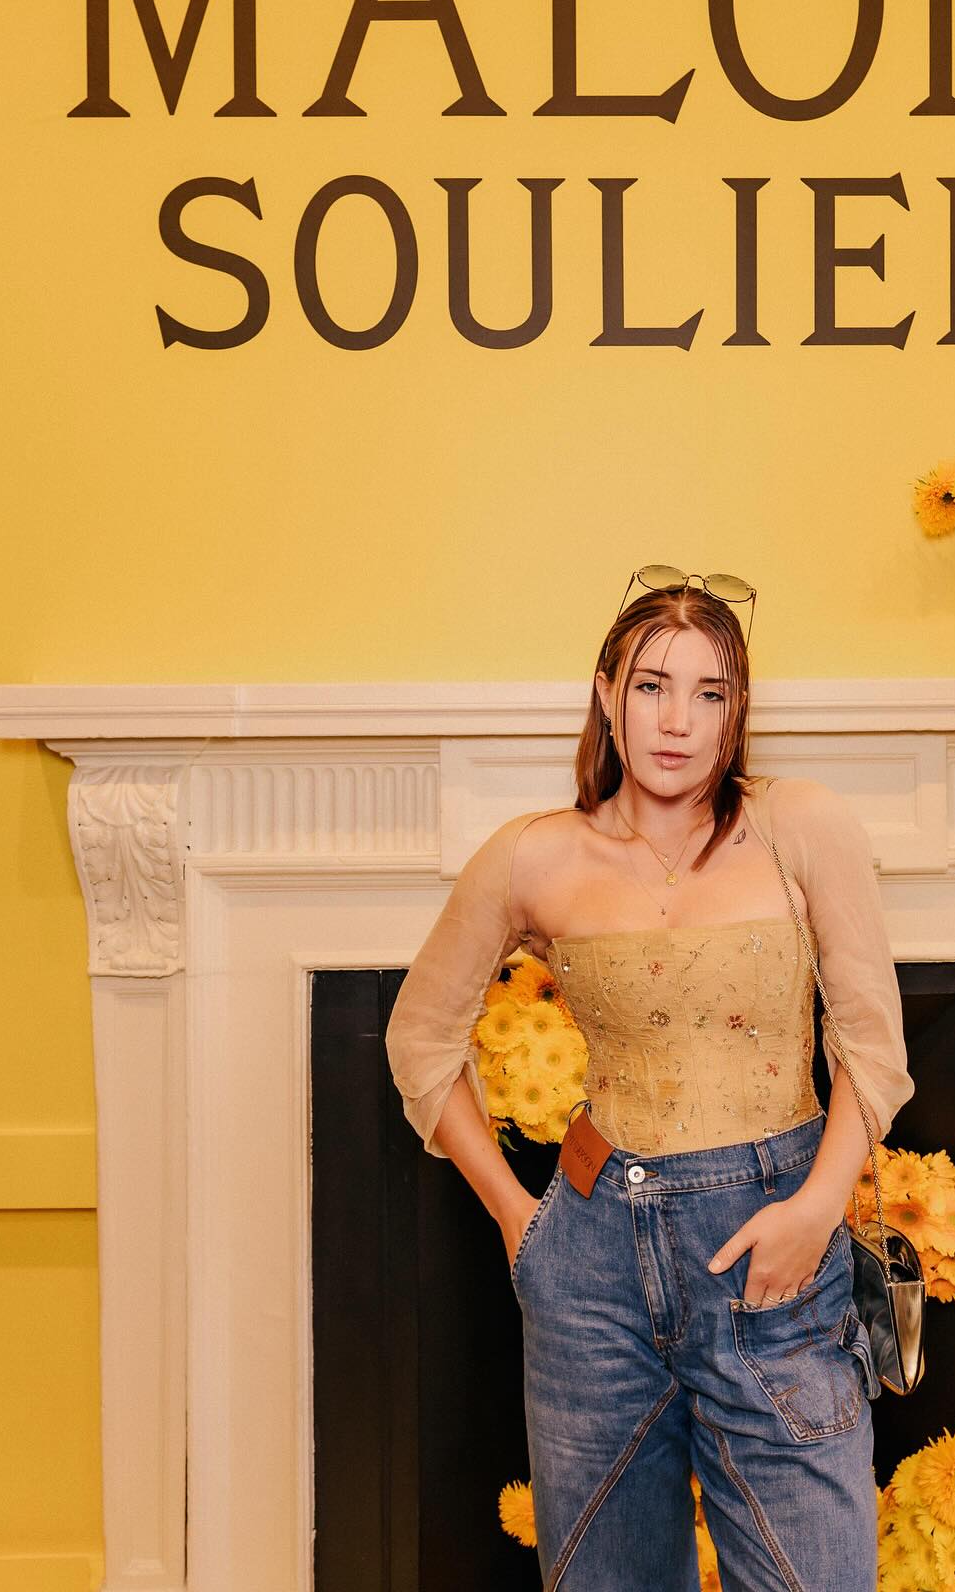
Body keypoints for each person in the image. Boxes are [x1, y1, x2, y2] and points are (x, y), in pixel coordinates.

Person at [385, 567, 915, 1591]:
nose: (677, 721)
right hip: (591, 1269)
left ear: (736, 710)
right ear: (606, 694)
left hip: (773, 1249)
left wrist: (816, 1209)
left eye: (708, 693)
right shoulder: (534, 857)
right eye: (651, 686)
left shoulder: (801, 826)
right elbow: (420, 1041)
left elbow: (871, 1047)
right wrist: (520, 1223)